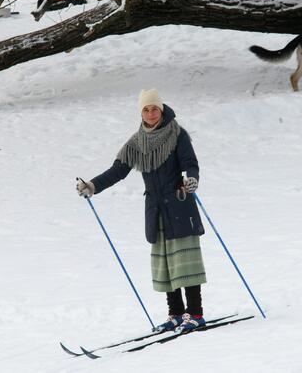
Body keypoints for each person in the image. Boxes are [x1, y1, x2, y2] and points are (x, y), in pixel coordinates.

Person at [76, 89, 207, 333]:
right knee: (166, 264)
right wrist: (92, 186)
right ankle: (176, 314)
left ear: (161, 109)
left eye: (154, 108)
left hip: (179, 203)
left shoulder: (177, 134)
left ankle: (196, 314)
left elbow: (190, 163)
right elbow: (117, 170)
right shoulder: (136, 143)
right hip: (155, 209)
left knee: (185, 262)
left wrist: (192, 179)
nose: (150, 113)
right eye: (145, 109)